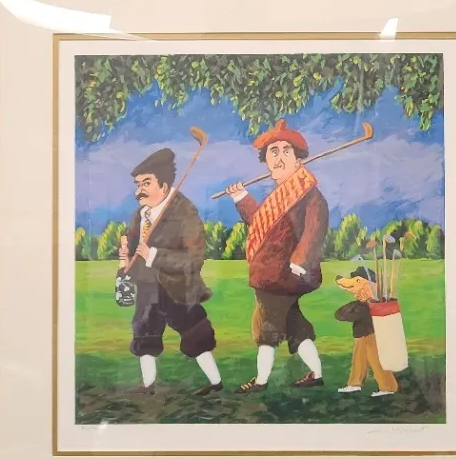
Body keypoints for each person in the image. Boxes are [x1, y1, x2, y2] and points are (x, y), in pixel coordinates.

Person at [224, 120, 329, 393]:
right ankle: (316, 373)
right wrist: (241, 197)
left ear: (298, 159)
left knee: (266, 326)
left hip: (284, 276)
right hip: (270, 273)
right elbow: (260, 224)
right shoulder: (280, 195)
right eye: (273, 152)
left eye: (285, 151)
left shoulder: (308, 194)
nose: (279, 158)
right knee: (294, 325)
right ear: (266, 161)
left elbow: (315, 229)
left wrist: (300, 260)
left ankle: (261, 381)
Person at [118, 148, 223, 396]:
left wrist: (154, 255)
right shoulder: (140, 215)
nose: (139, 190)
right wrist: (126, 260)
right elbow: (132, 249)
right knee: (144, 331)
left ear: (163, 185)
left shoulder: (184, 212)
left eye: (146, 183)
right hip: (147, 285)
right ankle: (148, 385)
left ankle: (215, 382)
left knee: (195, 332)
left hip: (177, 287)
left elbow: (194, 259)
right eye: (138, 184)